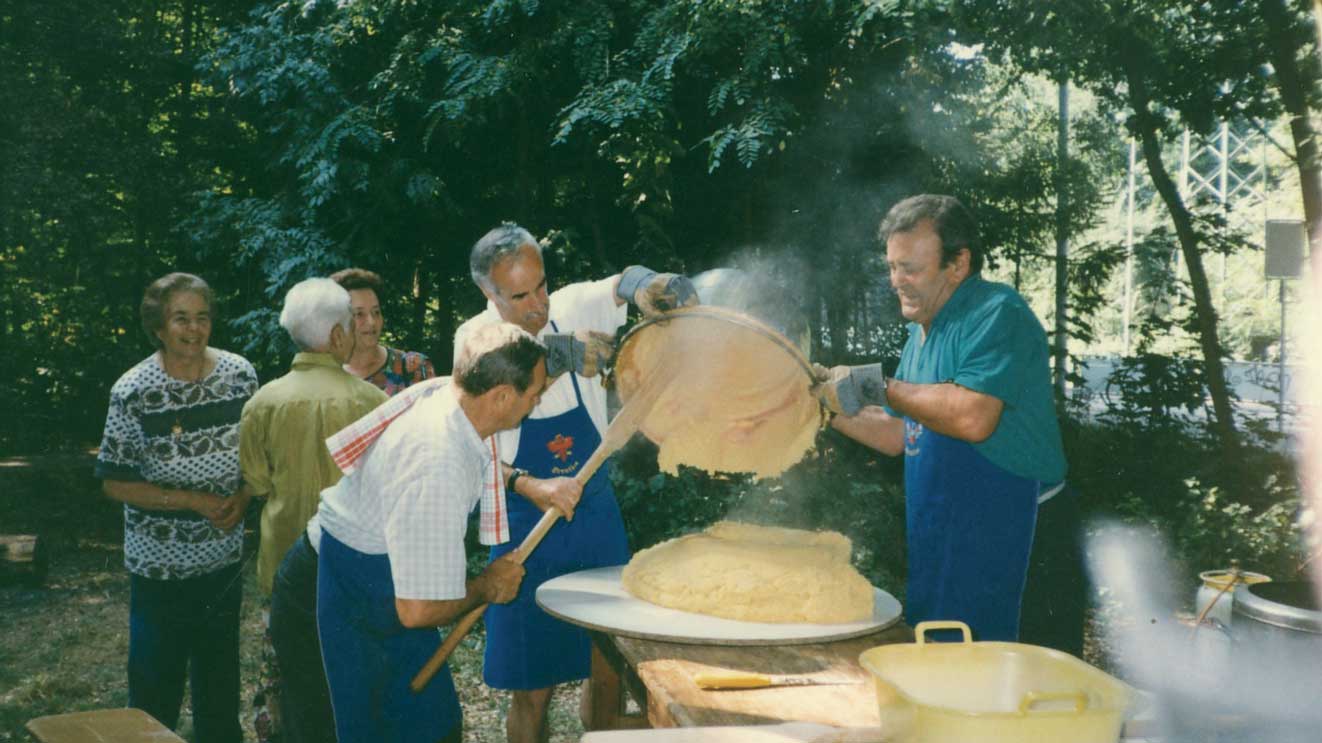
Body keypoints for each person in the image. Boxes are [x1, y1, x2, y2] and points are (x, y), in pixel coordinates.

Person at [454, 222, 698, 743]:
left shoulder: (572, 304)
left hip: (593, 516)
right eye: (520, 295)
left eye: (540, 286)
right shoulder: (474, 340)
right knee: (531, 686)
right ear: (487, 292)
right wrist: (529, 484)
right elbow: (476, 455)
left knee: (606, 667)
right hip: (525, 525)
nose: (538, 305)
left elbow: (624, 280)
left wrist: (651, 286)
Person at [817, 194, 1085, 654]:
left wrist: (872, 385)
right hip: (948, 541)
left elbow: (971, 416)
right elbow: (900, 434)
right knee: (948, 675)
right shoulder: (920, 333)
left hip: (1018, 544)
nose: (896, 281)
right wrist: (822, 406)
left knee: (1020, 702)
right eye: (892, 267)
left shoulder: (996, 314)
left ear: (958, 264)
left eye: (911, 269)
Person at [315, 322, 556, 743]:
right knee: (388, 731)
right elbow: (419, 611)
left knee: (432, 722)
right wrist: (486, 585)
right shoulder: (438, 464)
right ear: (501, 396)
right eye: (534, 391)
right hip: (357, 584)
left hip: (376, 568)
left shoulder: (457, 394)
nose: (539, 397)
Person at [95, 273, 257, 742]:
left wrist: (244, 496)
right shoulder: (134, 390)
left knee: (219, 683)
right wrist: (192, 501)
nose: (194, 328)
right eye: (180, 318)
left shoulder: (240, 375)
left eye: (202, 317)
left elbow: (256, 454)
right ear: (159, 327)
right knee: (154, 688)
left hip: (221, 562)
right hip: (158, 568)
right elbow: (113, 482)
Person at [239, 278, 389, 743]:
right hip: (354, 568)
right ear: (339, 337)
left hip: (284, 563)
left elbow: (257, 482)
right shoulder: (374, 403)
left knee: (292, 684)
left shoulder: (262, 403)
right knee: (352, 684)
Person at [331, 267, 436, 395]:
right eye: (359, 314)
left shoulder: (414, 368)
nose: (371, 322)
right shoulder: (325, 377)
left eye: (376, 312)